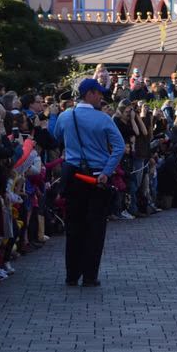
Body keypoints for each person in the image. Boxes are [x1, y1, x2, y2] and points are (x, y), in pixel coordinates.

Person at [49, 78, 125, 288]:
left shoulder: (66, 116)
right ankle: (90, 275)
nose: (101, 97)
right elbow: (119, 147)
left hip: (73, 175)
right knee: (95, 228)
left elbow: (57, 137)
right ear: (89, 94)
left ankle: (71, 274)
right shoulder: (103, 119)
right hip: (97, 176)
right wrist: (107, 172)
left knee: (74, 226)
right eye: (99, 93)